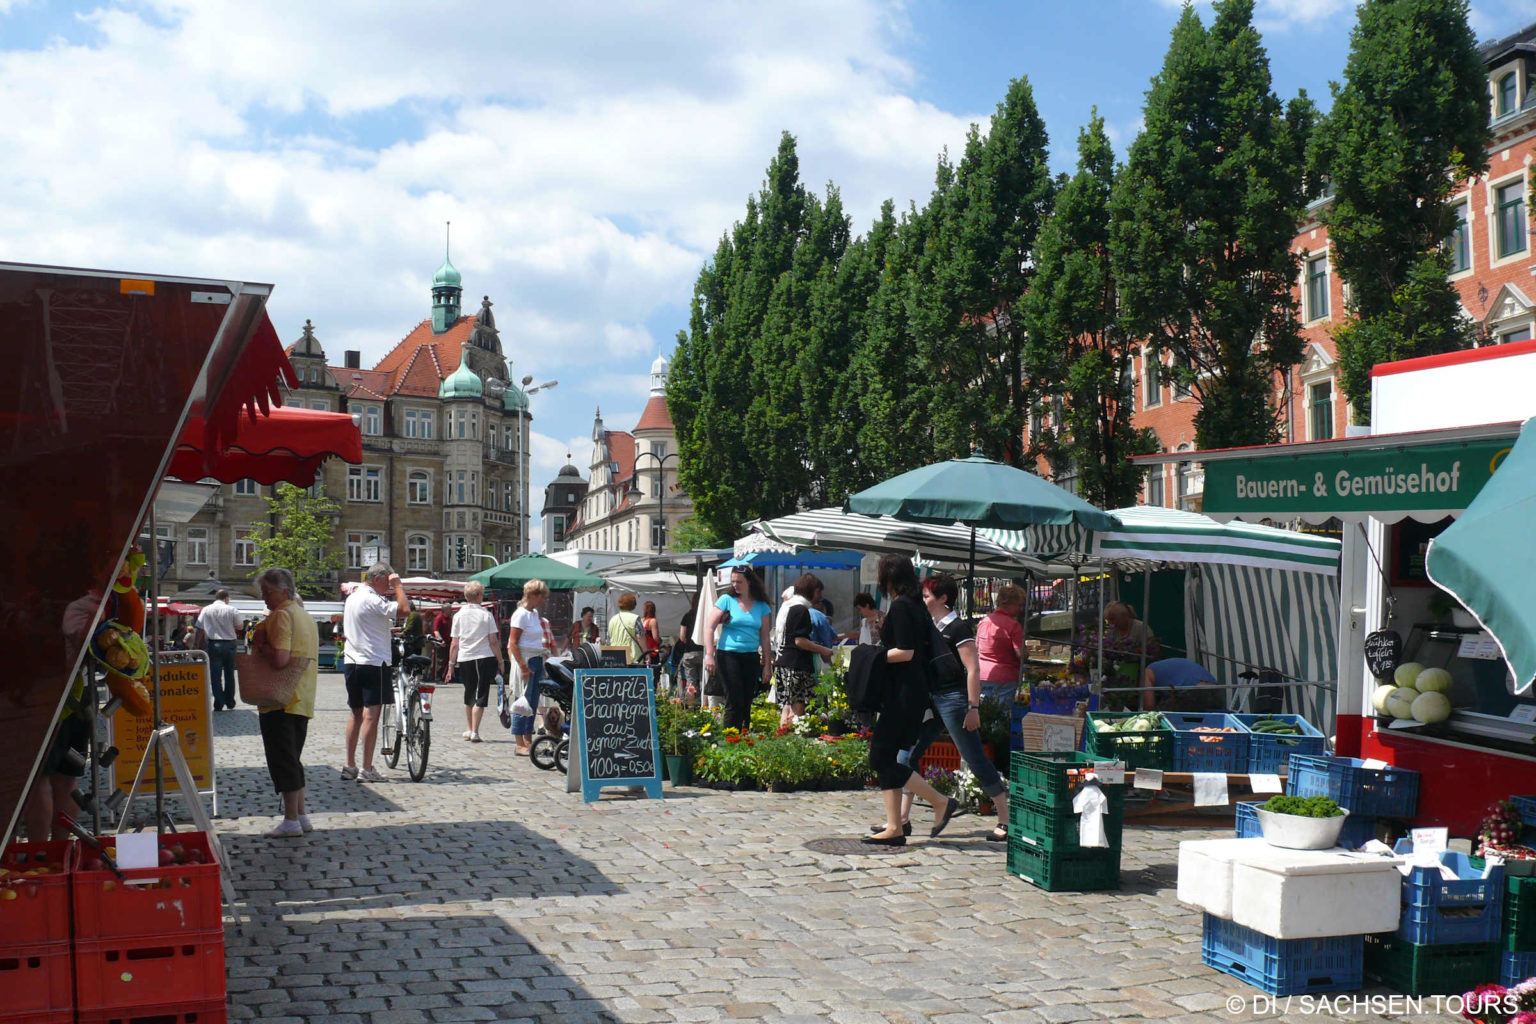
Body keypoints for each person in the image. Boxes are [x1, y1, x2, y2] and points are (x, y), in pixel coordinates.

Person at [897, 575, 1010, 841]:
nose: (922, 600)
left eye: (926, 596)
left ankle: (1005, 818)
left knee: (974, 758)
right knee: (905, 756)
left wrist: (974, 707)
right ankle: (901, 819)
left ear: (943, 598)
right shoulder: (927, 626)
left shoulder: (958, 628)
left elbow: (973, 669)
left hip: (954, 700)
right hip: (931, 699)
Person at [864, 555, 960, 847]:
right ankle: (894, 826)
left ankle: (939, 801)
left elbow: (905, 652)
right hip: (907, 690)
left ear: (887, 578)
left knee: (879, 756)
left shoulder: (904, 606)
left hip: (904, 692)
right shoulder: (914, 604)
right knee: (886, 757)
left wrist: (870, 656)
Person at [251, 568, 320, 838]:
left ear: (284, 591)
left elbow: (279, 659)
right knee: (293, 757)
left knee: (283, 760)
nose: (264, 597)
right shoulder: (305, 616)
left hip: (280, 698)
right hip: (302, 696)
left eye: (268, 592)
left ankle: (291, 819)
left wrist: (260, 644)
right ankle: (301, 815)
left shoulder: (281, 616)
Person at [341, 563, 409, 782]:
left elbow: (366, 623)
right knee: (371, 715)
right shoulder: (372, 598)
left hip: (352, 661)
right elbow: (404, 609)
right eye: (387, 583)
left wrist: (384, 630)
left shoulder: (353, 597)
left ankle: (350, 765)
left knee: (356, 713)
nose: (389, 589)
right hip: (373, 662)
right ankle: (367, 768)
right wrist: (399, 585)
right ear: (378, 578)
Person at [702, 565, 773, 732]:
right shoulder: (726, 600)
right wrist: (709, 655)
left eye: (739, 582)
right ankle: (730, 737)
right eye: (733, 581)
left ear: (749, 582)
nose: (735, 585)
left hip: (750, 655)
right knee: (734, 698)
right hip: (728, 654)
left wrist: (768, 665)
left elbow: (765, 637)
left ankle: (744, 734)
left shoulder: (761, 605)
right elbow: (709, 627)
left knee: (747, 698)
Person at [447, 580, 503, 743]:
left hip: (465, 657)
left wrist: (451, 664)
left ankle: (469, 728)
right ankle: (475, 731)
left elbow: (454, 643)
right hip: (483, 656)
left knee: (469, 691)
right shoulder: (486, 615)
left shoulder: (458, 615)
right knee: (481, 692)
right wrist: (500, 660)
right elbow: (493, 641)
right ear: (479, 595)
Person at [775, 574, 835, 727]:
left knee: (787, 708)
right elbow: (799, 641)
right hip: (796, 665)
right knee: (798, 709)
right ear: (812, 590)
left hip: (784, 662)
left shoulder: (789, 607)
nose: (820, 596)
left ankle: (784, 738)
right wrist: (823, 649)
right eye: (818, 592)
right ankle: (795, 740)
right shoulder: (801, 610)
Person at [507, 579, 552, 754]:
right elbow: (513, 643)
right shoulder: (520, 614)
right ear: (532, 595)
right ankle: (519, 743)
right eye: (541, 596)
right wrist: (523, 666)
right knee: (521, 702)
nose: (543, 600)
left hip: (536, 659)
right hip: (525, 660)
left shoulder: (533, 613)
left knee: (532, 703)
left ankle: (528, 741)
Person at [976, 584, 1026, 708]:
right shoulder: (1014, 625)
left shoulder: (984, 622)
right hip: (1005, 678)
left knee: (985, 713)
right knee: (1001, 716)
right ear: (1009, 603)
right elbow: (1020, 654)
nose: (1021, 609)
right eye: (1019, 605)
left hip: (982, 674)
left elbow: (977, 647)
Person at [195, 588, 244, 711]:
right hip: (229, 644)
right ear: (226, 598)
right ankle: (230, 702)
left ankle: (218, 702)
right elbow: (240, 626)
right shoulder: (232, 609)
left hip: (214, 643)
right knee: (229, 673)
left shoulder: (206, 609)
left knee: (215, 675)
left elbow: (199, 628)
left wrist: (197, 645)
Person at [1142, 657, 1222, 711]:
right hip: (1215, 690)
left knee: (1160, 716)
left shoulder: (1147, 672)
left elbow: (1149, 707)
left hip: (1193, 692)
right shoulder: (1171, 664)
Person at [672, 607, 703, 702]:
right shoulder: (705, 616)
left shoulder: (687, 616)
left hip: (689, 653)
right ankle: (704, 704)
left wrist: (688, 642)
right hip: (703, 652)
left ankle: (691, 705)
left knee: (691, 681)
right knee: (703, 680)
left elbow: (682, 637)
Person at [609, 593, 645, 664]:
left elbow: (610, 637)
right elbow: (640, 638)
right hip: (633, 657)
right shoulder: (635, 618)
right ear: (633, 604)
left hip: (615, 657)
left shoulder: (612, 619)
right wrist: (646, 654)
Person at [430, 605, 454, 680]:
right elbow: (436, 630)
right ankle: (438, 678)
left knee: (448, 660)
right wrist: (440, 640)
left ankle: (445, 677)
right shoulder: (439, 618)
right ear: (445, 610)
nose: (451, 610)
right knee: (440, 660)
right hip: (441, 643)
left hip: (449, 642)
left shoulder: (449, 619)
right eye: (450, 609)